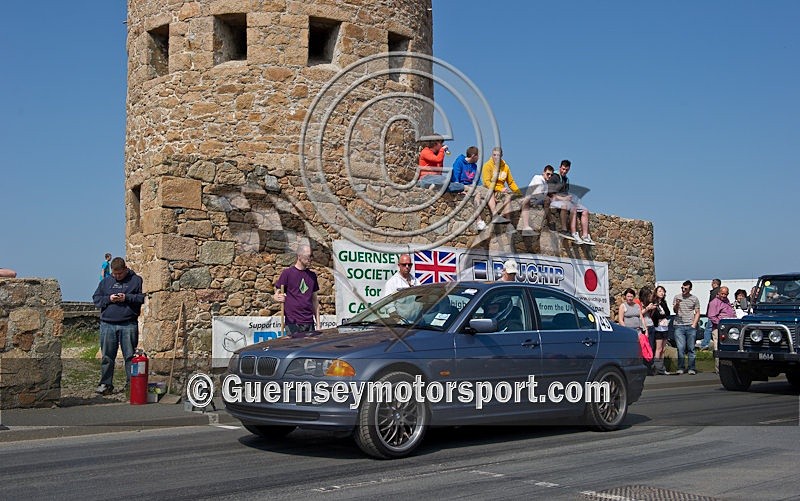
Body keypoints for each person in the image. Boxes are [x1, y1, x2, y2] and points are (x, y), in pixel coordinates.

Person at [92, 257, 145, 395]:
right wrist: (109, 299)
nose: (117, 276)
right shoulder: (105, 282)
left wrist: (126, 297)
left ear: (125, 269)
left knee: (129, 356)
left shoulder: (136, 280)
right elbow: (96, 299)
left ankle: (131, 385)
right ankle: (106, 384)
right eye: (115, 274)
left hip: (128, 323)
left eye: (120, 274)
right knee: (107, 357)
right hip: (107, 324)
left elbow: (141, 298)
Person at [274, 243, 321, 335]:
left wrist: (318, 324)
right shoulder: (287, 273)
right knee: (295, 348)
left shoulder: (312, 276)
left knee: (310, 349)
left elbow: (315, 301)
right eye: (308, 255)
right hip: (293, 322)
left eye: (312, 256)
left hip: (309, 321)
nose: (310, 259)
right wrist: (278, 297)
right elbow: (276, 294)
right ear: (299, 256)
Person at [547, 159, 595, 245]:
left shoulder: (566, 180)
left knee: (585, 210)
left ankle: (585, 236)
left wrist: (569, 198)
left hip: (565, 200)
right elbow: (549, 193)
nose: (564, 171)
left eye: (566, 170)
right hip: (554, 200)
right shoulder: (554, 177)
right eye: (563, 169)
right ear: (560, 167)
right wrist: (563, 199)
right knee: (569, 207)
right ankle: (569, 231)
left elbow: (565, 193)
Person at [479, 147, 522, 226]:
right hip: (491, 189)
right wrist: (499, 189)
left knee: (509, 197)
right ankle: (496, 216)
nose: (496, 157)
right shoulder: (487, 165)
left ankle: (507, 220)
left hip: (502, 190)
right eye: (494, 155)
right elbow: (487, 182)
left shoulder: (505, 167)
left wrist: (518, 192)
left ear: (501, 155)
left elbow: (511, 182)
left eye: (498, 155)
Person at [672, 280, 701, 375]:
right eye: (682, 288)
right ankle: (680, 367)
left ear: (690, 289)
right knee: (681, 348)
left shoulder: (694, 299)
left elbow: (697, 312)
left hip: (690, 325)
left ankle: (691, 368)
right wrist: (677, 304)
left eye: (686, 288)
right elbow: (675, 311)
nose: (683, 290)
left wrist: (694, 324)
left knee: (691, 348)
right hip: (679, 325)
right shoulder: (677, 297)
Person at [519, 165, 554, 236]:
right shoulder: (537, 178)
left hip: (537, 201)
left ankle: (550, 224)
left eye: (551, 175)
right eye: (548, 174)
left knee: (548, 200)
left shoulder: (546, 185)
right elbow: (538, 193)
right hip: (531, 199)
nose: (549, 176)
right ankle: (526, 227)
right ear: (543, 172)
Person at [707, 286, 735, 374]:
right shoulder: (714, 302)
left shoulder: (727, 301)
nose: (724, 296)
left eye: (726, 294)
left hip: (730, 328)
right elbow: (711, 316)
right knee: (718, 349)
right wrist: (721, 323)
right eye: (722, 294)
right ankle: (719, 369)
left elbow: (731, 313)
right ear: (718, 293)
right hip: (719, 329)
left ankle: (729, 369)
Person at [649, 286, 672, 375]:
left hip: (665, 327)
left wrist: (663, 313)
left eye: (663, 291)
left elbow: (668, 313)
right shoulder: (654, 304)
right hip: (658, 328)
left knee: (663, 348)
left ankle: (662, 367)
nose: (661, 293)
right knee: (658, 348)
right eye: (660, 291)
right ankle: (656, 367)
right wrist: (662, 316)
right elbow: (656, 316)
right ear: (656, 293)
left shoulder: (663, 303)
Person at [700, 279, 721, 349]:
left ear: (715, 284)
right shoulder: (720, 292)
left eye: (712, 283)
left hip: (713, 314)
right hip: (718, 315)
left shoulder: (714, 292)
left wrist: (709, 313)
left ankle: (705, 344)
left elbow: (711, 304)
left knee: (708, 329)